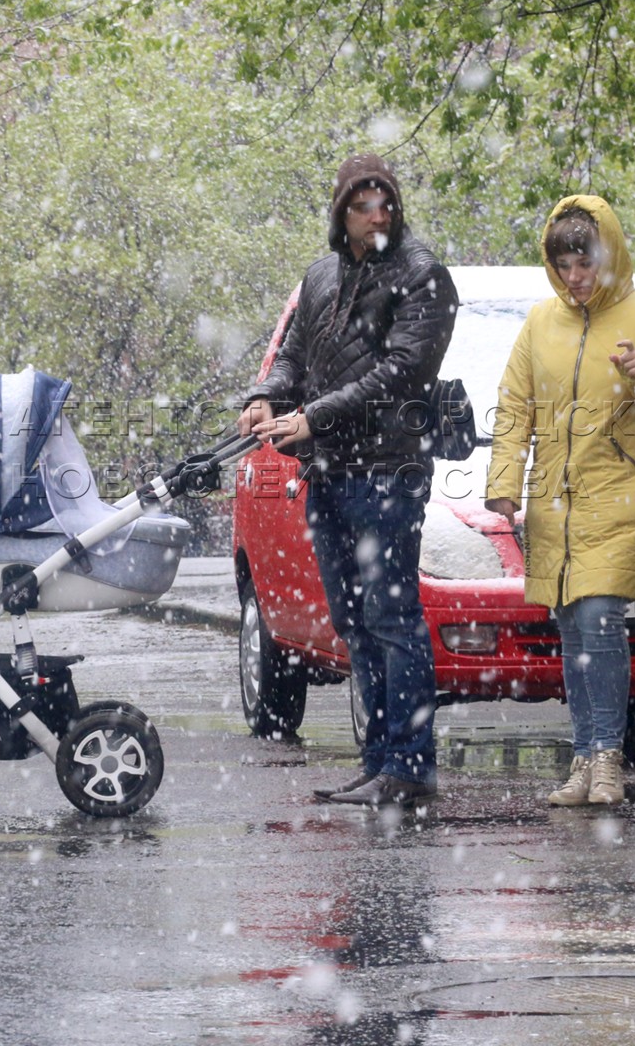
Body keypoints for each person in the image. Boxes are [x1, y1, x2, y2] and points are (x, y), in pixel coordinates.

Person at [237, 153, 458, 808]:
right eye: (362, 204)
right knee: (353, 620)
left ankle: (411, 767)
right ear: (341, 211)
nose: (375, 215)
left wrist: (312, 417)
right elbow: (296, 355)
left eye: (384, 202)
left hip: (388, 473)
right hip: (328, 473)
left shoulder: (423, 277)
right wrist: (266, 397)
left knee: (392, 618)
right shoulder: (322, 274)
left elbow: (399, 373)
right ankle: (378, 762)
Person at [483, 196, 635, 806]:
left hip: (624, 493)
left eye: (584, 263)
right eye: (564, 266)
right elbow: (514, 408)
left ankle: (607, 759)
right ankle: (583, 760)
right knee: (573, 628)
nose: (574, 278)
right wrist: (504, 480)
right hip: (554, 498)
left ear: (607, 257)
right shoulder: (538, 323)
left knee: (599, 618)